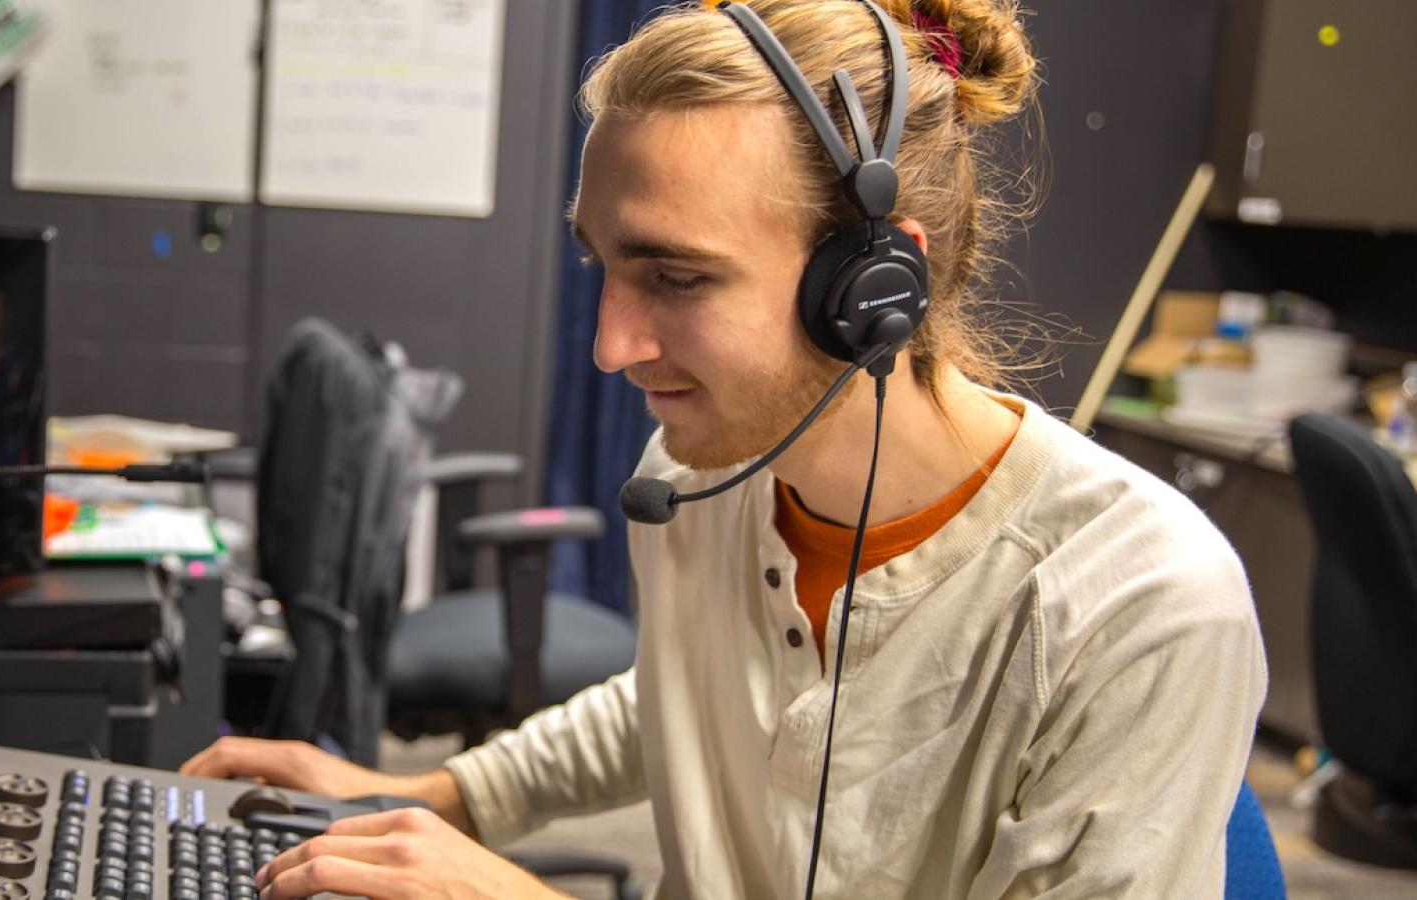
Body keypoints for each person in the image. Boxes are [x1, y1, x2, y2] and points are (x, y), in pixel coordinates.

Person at [183, 0, 1267, 896]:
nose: (611, 345)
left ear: (873, 289)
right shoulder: (694, 480)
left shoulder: (1138, 607)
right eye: (601, 266)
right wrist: (435, 796)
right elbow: (677, 698)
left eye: (676, 278)